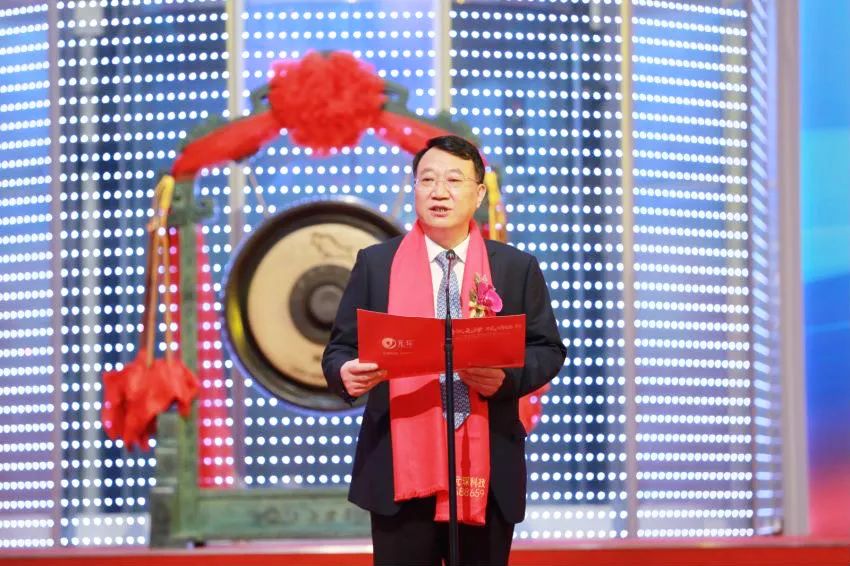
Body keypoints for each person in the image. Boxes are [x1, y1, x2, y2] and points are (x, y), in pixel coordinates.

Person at [322, 135, 566, 566]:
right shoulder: (376, 264)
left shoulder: (515, 267)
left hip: (487, 466)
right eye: (427, 179)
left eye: (454, 180)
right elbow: (339, 349)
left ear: (479, 193)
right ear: (414, 188)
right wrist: (344, 372)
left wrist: (506, 379)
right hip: (399, 467)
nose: (439, 192)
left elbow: (547, 349)